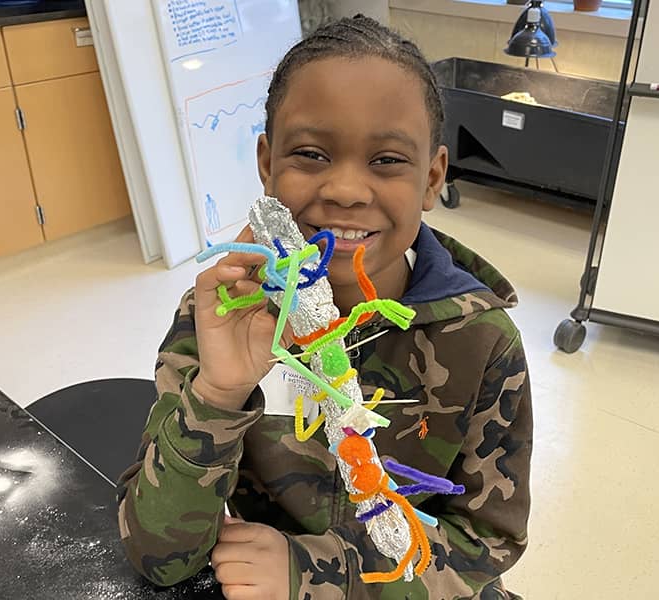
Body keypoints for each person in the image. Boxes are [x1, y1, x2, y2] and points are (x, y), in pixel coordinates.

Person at [117, 15, 532, 600]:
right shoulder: (221, 317)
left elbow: (487, 546)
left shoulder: (481, 341)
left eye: (387, 160)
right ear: (267, 164)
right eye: (311, 154)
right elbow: (158, 557)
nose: (345, 190)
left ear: (433, 178)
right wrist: (216, 394)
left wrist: (317, 573)